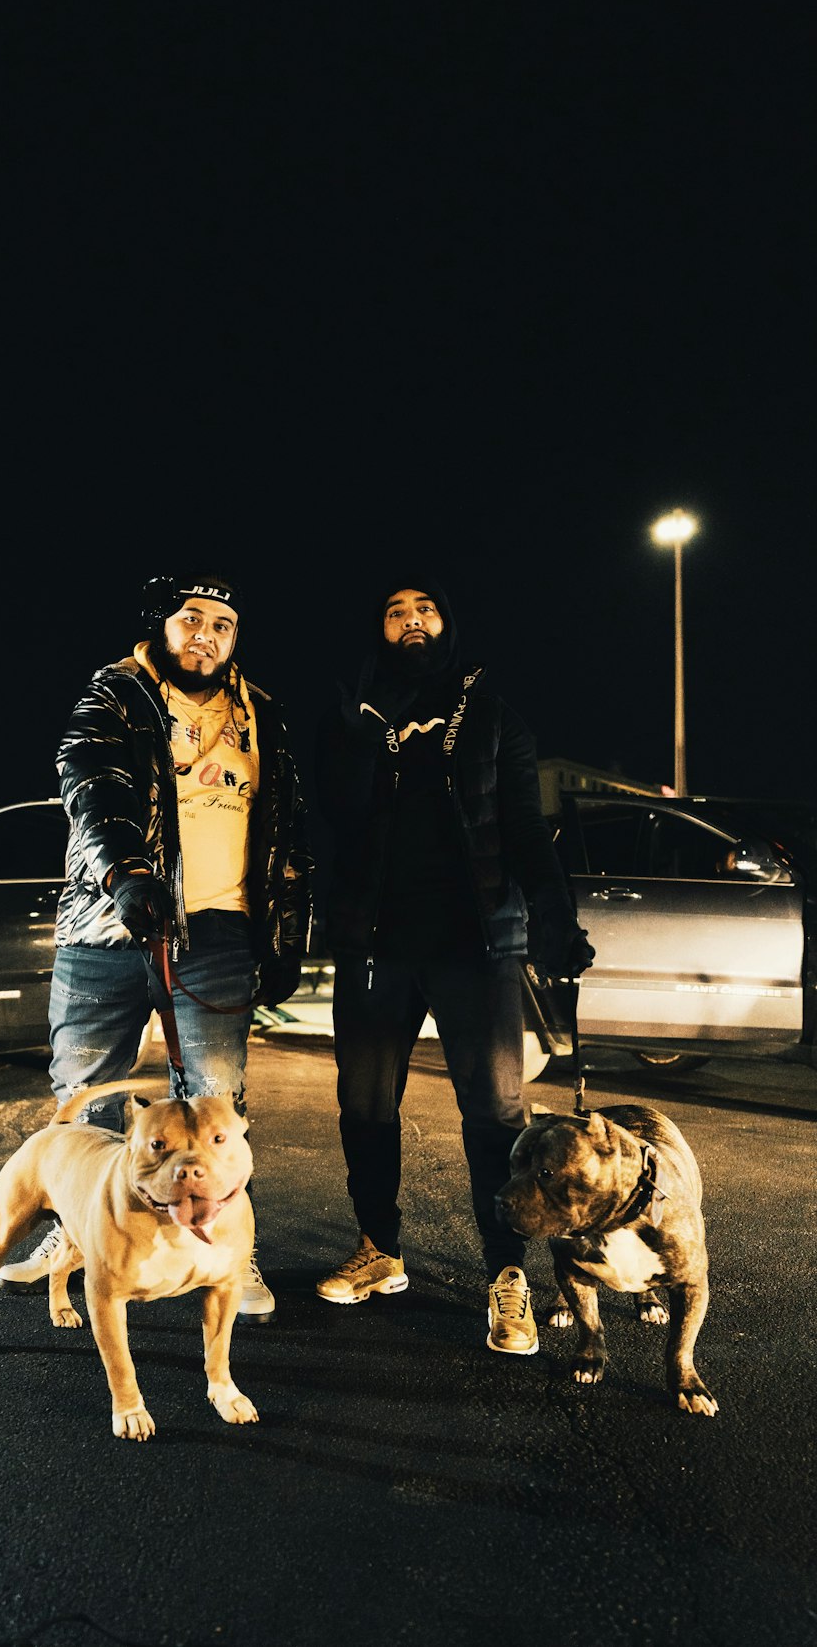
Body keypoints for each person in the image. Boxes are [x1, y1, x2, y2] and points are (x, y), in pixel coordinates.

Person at [0, 570, 314, 1323]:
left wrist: (287, 933)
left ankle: (227, 1244)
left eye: (222, 624)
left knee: (215, 1100)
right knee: (82, 1091)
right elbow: (91, 782)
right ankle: (75, 1237)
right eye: (191, 619)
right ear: (162, 625)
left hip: (220, 930)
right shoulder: (117, 692)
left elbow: (288, 831)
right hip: (107, 923)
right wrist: (127, 871)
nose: (205, 634)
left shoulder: (263, 713)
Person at [313, 575, 594, 1354]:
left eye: (424, 608)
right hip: (376, 944)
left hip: (476, 945)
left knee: (495, 1116)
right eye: (395, 611)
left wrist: (555, 916)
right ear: (378, 629)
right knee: (366, 1108)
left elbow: (527, 832)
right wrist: (360, 745)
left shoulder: (494, 716)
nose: (411, 620)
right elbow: (331, 819)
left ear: (448, 623)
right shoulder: (353, 715)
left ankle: (507, 1276)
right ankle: (379, 1250)